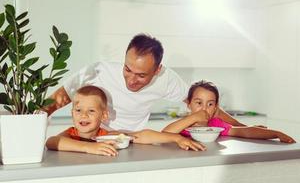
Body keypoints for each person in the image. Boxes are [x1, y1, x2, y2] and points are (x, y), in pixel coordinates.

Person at [44, 33, 245, 132]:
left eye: (141, 76)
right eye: (127, 69)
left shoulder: (166, 79)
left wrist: (242, 127)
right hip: (96, 137)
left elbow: (204, 104)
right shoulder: (98, 71)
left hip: (135, 140)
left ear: (157, 70)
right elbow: (54, 102)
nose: (131, 80)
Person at [46, 86, 206, 156]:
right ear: (72, 113)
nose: (84, 115)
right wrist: (89, 148)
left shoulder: (106, 136)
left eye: (91, 111)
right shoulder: (70, 134)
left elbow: (141, 136)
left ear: (104, 116)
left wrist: (177, 138)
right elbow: (52, 142)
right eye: (78, 110)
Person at [162, 80, 296, 143]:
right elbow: (165, 133)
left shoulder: (216, 124)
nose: (204, 109)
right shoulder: (183, 125)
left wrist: (276, 133)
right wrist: (193, 118)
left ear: (215, 107)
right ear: (189, 104)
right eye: (198, 103)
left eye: (210, 104)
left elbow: (243, 131)